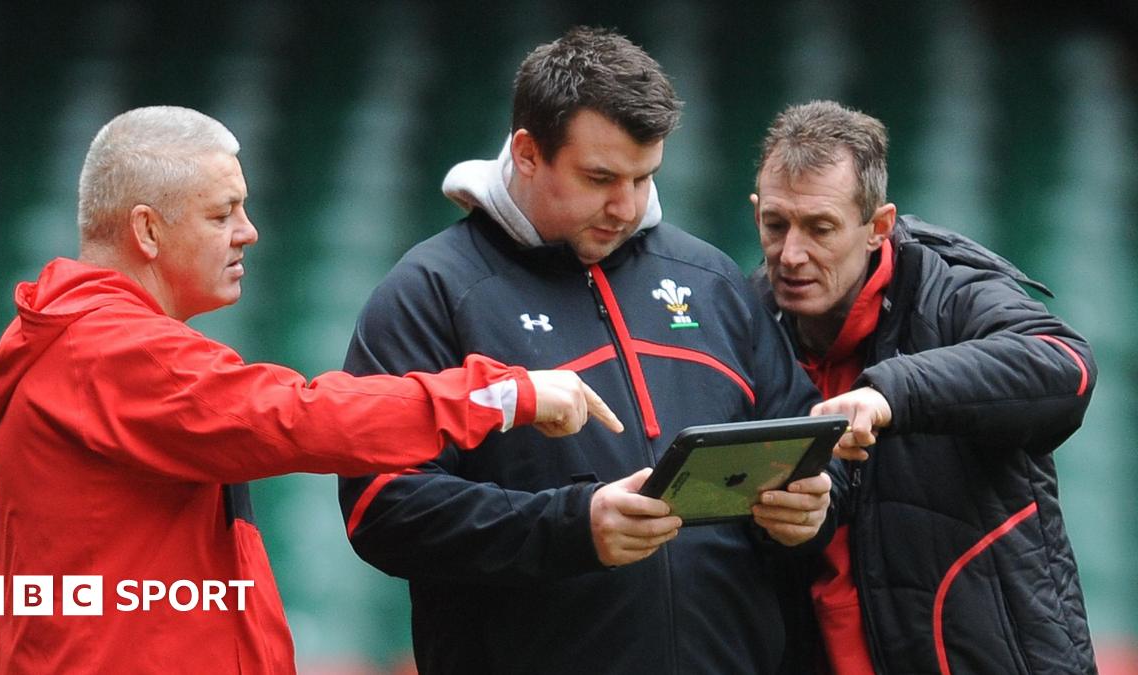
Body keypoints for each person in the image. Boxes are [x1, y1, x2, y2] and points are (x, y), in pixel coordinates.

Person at [0, 105, 621, 675]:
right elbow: (296, 417)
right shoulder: (111, 349)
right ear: (147, 230)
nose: (248, 230)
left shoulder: (83, 344)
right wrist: (507, 395)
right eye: (221, 212)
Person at [338, 27, 834, 675]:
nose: (626, 206)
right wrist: (573, 526)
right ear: (527, 152)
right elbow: (382, 506)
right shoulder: (431, 292)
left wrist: (812, 508)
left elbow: (808, 440)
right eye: (600, 177)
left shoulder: (711, 279)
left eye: (644, 176)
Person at [748, 100, 1097, 674]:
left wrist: (891, 393)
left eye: (820, 228)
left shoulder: (954, 294)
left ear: (878, 227)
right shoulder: (746, 323)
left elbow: (1066, 366)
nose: (791, 254)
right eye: (776, 224)